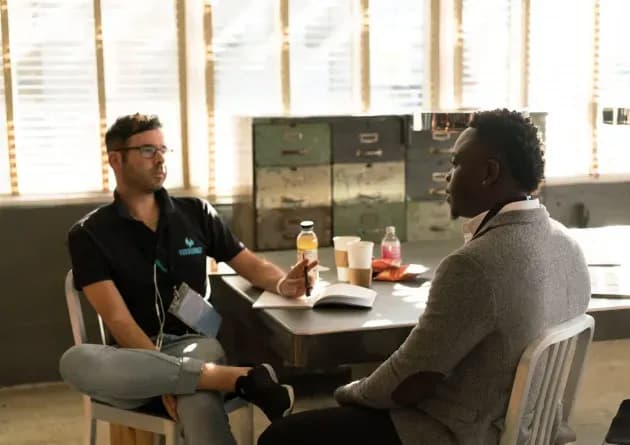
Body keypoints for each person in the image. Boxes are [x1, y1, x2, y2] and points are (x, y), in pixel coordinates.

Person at [258, 109, 591, 445]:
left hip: (457, 434)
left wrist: (349, 392)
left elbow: (410, 381)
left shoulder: (474, 265)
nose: (448, 176)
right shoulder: (568, 246)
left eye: (457, 163)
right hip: (530, 431)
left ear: (489, 173)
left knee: (281, 437)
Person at [59, 113, 317, 445]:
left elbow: (249, 264)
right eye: (148, 150)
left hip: (197, 345)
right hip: (133, 360)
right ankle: (244, 379)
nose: (161, 159)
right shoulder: (88, 234)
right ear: (116, 160)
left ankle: (209, 378)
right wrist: (166, 376)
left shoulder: (195, 212)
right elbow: (118, 320)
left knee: (195, 392)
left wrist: (284, 283)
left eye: (163, 149)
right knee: (75, 361)